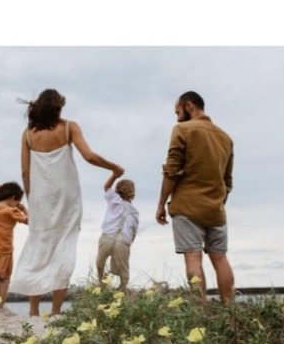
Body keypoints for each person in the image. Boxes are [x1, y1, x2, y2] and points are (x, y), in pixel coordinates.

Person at [12, 89, 124, 318]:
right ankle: (55, 311)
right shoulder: (69, 127)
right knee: (64, 251)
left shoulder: (28, 135)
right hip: (67, 199)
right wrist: (114, 168)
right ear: (57, 107)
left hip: (40, 200)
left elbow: (25, 172)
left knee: (38, 251)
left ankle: (33, 312)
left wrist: (32, 201)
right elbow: (90, 156)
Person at [155, 91, 234, 303]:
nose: (176, 117)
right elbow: (227, 181)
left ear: (189, 106)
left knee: (193, 258)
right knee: (220, 258)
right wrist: (217, 202)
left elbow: (172, 170)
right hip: (216, 209)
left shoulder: (182, 129)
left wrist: (161, 205)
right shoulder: (225, 137)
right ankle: (230, 309)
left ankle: (200, 312)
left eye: (177, 111)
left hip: (187, 206)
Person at [96, 174, 139, 291]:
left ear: (117, 190)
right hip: (123, 240)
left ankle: (101, 282)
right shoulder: (134, 212)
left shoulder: (114, 199)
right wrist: (129, 244)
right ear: (132, 193)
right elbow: (134, 231)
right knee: (124, 267)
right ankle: (122, 288)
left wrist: (114, 175)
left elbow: (106, 186)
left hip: (107, 236)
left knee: (100, 261)